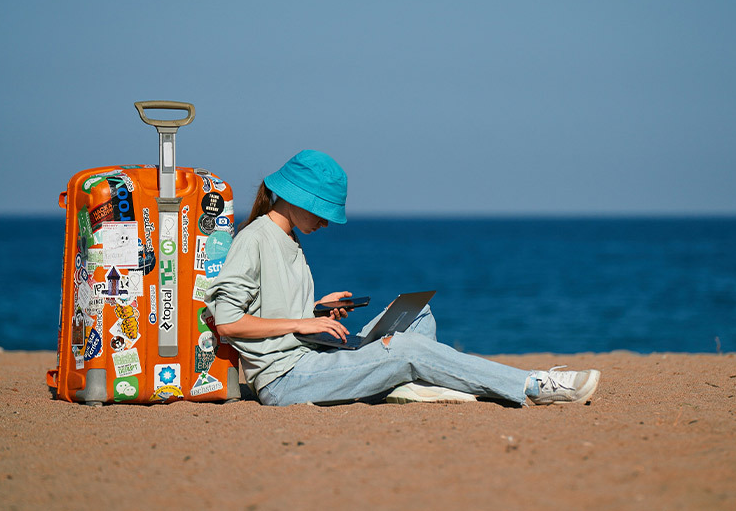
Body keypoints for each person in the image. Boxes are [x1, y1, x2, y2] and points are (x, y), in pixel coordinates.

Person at [205, 150, 601, 407]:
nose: (325, 221)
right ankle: (533, 386)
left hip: (312, 354)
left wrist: (317, 308)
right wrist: (302, 322)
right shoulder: (256, 238)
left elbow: (269, 306)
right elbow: (229, 322)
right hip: (286, 379)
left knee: (417, 316)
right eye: (322, 211)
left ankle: (400, 385)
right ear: (294, 198)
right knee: (407, 350)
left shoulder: (287, 237)